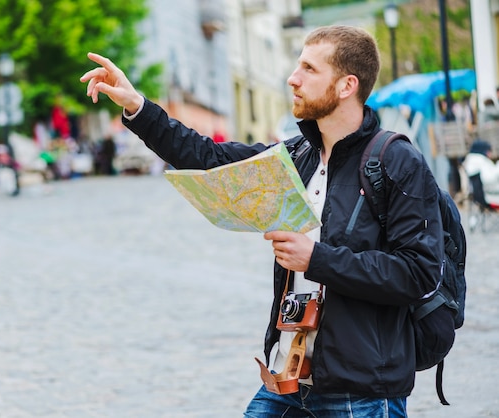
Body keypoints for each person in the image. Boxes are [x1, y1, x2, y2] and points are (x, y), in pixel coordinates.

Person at [80, 25, 443, 417]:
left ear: (346, 85)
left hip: (361, 388)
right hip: (289, 376)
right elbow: (211, 158)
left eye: (308, 68)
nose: (293, 78)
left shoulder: (396, 162)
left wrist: (316, 259)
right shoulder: (297, 155)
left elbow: (419, 273)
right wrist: (138, 107)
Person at [462, 139, 499, 205]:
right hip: (490, 196)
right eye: (489, 150)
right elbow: (489, 179)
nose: (490, 153)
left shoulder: (471, 160)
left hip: (478, 197)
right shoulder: (481, 160)